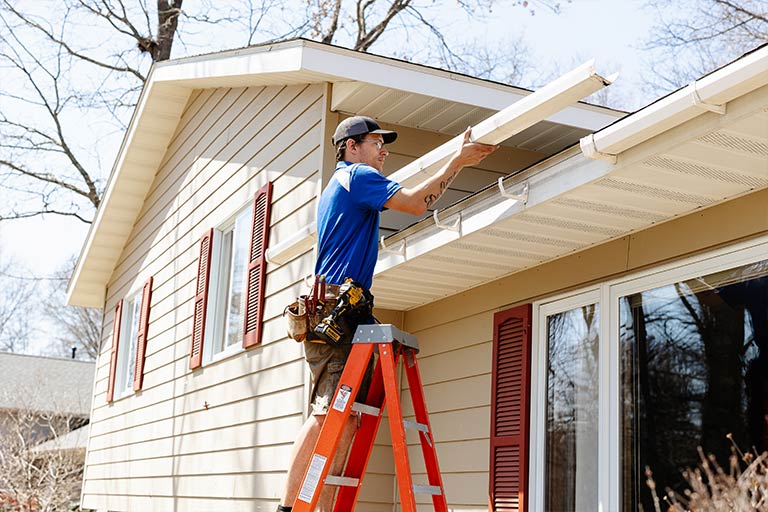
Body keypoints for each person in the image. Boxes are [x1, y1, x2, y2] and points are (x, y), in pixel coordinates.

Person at [277, 116, 497, 511]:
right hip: (335, 310)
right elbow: (414, 205)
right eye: (377, 142)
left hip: (349, 310)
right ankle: (285, 508)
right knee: (327, 414)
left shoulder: (347, 184)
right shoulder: (356, 176)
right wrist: (457, 162)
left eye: (384, 144)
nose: (385, 151)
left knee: (345, 420)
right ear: (350, 146)